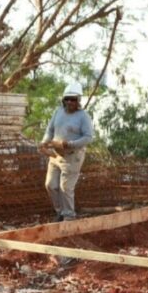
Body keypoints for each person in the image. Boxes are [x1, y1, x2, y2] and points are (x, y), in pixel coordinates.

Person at [40, 83, 95, 221]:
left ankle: (69, 216)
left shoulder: (83, 117)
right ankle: (60, 212)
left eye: (73, 99)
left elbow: (88, 137)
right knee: (50, 185)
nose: (70, 102)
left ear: (78, 100)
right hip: (55, 154)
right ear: (63, 100)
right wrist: (44, 142)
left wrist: (69, 144)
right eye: (67, 99)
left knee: (65, 187)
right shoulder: (58, 112)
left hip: (72, 156)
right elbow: (50, 130)